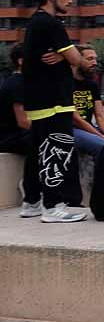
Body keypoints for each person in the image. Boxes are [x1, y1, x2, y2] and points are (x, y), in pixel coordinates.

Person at [23, 0, 88, 223]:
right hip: (54, 101)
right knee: (57, 150)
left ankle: (31, 202)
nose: (69, 0)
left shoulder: (35, 23)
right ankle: (53, 205)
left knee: (36, 151)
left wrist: (64, 56)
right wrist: (70, 57)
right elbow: (78, 60)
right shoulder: (51, 24)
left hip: (39, 100)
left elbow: (68, 57)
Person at [0, 46, 34, 216]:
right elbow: (22, 121)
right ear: (21, 61)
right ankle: (30, 191)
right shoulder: (17, 84)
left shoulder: (20, 82)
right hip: (10, 137)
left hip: (14, 134)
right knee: (44, 142)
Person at [71, 45, 104, 158]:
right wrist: (101, 137)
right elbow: (76, 119)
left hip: (89, 129)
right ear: (76, 59)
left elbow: (100, 115)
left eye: (95, 58)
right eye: (90, 59)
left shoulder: (92, 85)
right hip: (70, 130)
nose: (95, 62)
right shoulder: (65, 83)